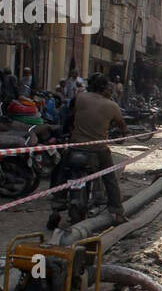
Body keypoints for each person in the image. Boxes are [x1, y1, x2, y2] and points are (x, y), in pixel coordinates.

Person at [47, 71, 127, 230]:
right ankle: (118, 213)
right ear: (105, 88)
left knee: (61, 174)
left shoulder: (80, 98)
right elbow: (122, 127)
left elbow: (70, 116)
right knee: (110, 178)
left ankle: (56, 207)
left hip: (76, 146)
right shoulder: (112, 106)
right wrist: (122, 132)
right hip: (98, 149)